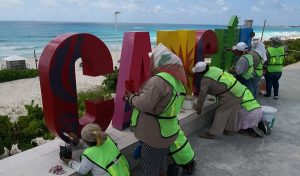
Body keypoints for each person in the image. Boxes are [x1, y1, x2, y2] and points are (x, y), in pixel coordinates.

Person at [125, 43, 195, 175]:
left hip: (154, 135)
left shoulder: (158, 81)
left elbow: (143, 104)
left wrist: (131, 97)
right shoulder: (176, 81)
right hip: (167, 131)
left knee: (150, 166)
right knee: (161, 162)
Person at [193, 61, 243, 139]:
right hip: (239, 90)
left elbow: (202, 94)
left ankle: (213, 133)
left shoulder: (206, 79)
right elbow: (219, 82)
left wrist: (199, 106)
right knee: (232, 111)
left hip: (231, 94)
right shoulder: (214, 68)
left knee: (221, 112)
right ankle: (229, 130)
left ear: (200, 73)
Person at [61, 123, 130, 176]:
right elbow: (97, 146)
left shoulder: (89, 154)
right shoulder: (108, 139)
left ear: (86, 142)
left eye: (83, 139)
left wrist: (69, 162)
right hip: (123, 172)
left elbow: (82, 170)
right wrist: (78, 141)